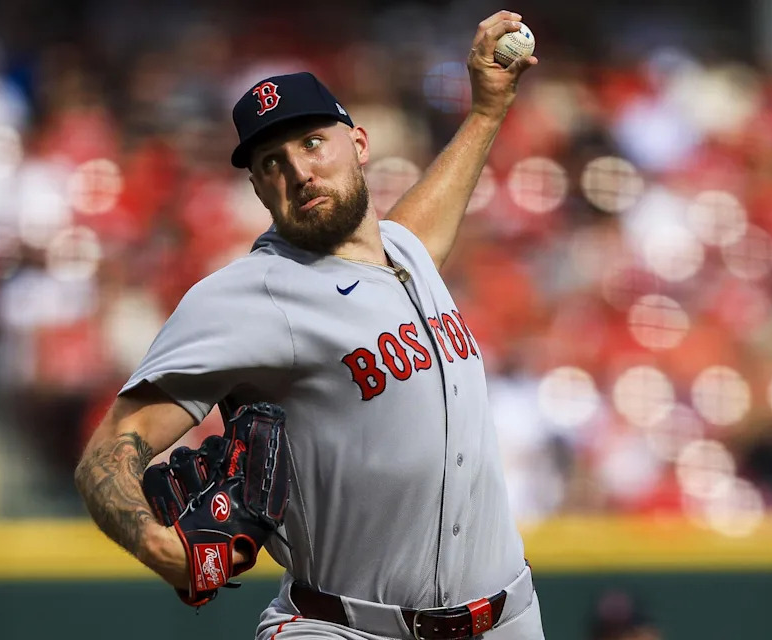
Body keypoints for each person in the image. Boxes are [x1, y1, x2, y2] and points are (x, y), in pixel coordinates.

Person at [75, 10, 543, 640]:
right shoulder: (250, 294)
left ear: (360, 144)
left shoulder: (403, 253)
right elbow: (109, 450)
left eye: (312, 143)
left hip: (506, 618)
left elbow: (416, 230)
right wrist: (162, 549)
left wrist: (486, 112)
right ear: (258, 187)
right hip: (344, 628)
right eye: (270, 162)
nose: (297, 171)